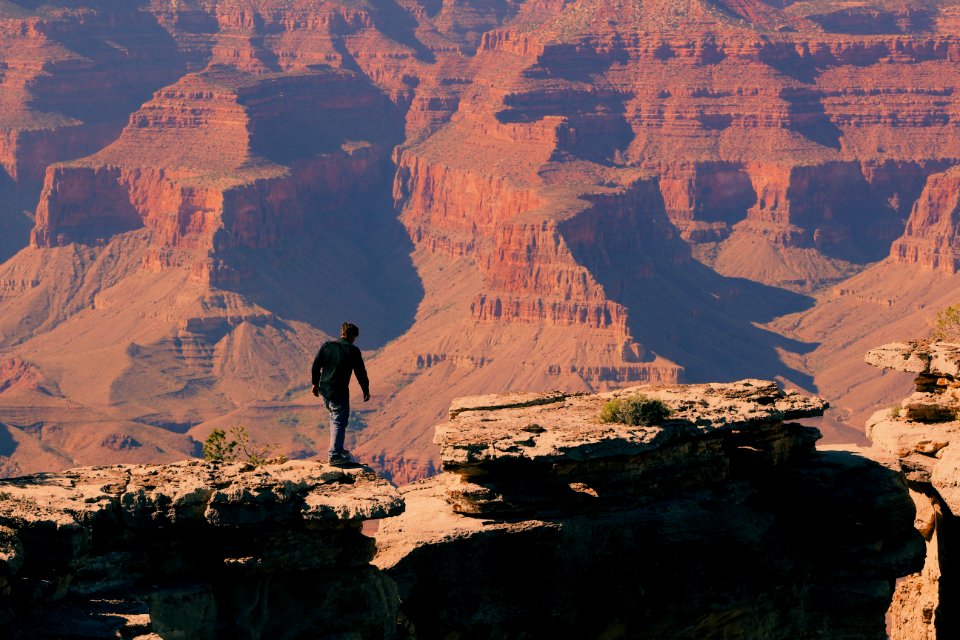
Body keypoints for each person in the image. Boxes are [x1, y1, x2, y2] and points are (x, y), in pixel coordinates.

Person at [311, 322, 370, 465]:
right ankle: (335, 455)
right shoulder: (353, 350)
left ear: (342, 333)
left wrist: (315, 383)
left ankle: (337, 448)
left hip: (325, 390)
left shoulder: (327, 346)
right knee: (339, 421)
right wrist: (365, 389)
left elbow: (316, 365)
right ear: (353, 336)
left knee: (335, 418)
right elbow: (360, 372)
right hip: (339, 391)